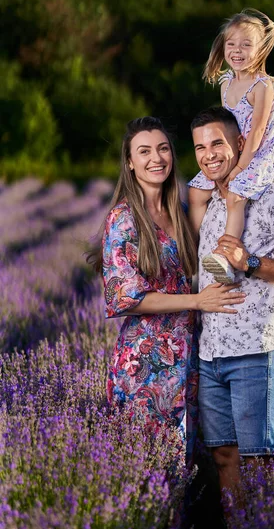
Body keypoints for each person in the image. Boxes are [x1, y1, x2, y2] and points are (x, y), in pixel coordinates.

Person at [87, 116, 246, 465]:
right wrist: (197, 301)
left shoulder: (179, 211)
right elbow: (125, 296)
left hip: (187, 356)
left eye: (162, 149)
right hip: (147, 363)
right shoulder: (124, 218)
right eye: (143, 151)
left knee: (185, 463)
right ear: (130, 162)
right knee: (149, 467)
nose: (155, 158)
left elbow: (217, 183)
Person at [190, 106, 274, 490]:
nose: (209, 154)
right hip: (211, 352)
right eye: (200, 147)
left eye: (217, 142)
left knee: (259, 461)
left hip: (256, 349)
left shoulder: (273, 198)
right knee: (223, 456)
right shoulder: (213, 204)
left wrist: (250, 262)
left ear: (240, 143)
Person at [188, 8, 274, 284]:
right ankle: (192, 253)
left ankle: (226, 258)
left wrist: (238, 169)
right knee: (196, 191)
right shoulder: (226, 83)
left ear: (261, 49)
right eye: (231, 44)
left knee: (234, 196)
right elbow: (224, 126)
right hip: (234, 151)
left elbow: (256, 134)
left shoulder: (262, 86)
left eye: (246, 44)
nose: (237, 50)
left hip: (257, 154)